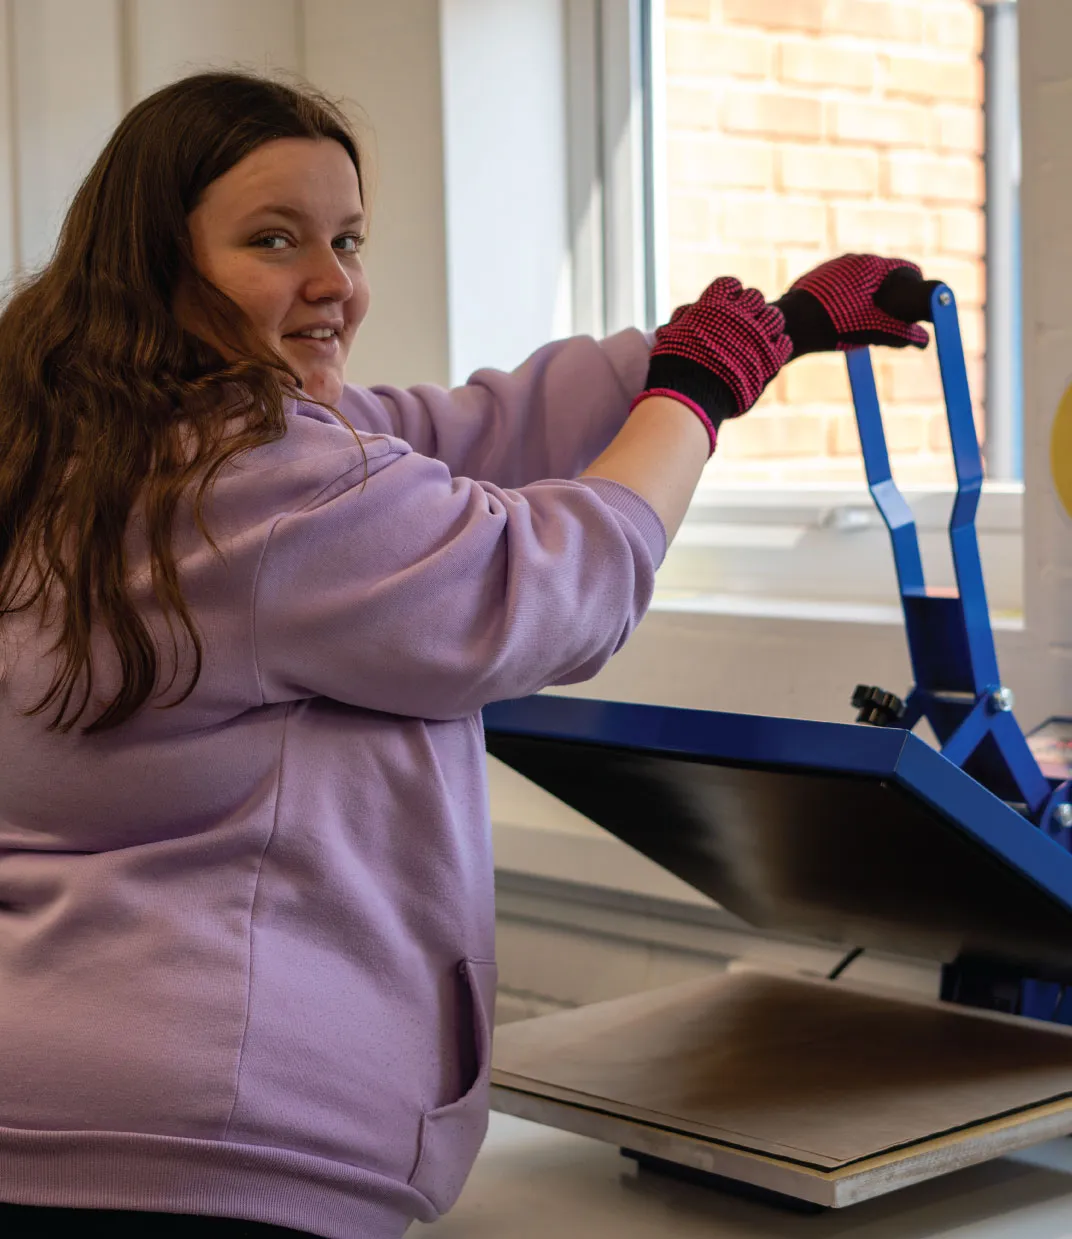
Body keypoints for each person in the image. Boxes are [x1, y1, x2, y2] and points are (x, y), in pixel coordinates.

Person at [0, 71, 931, 1239]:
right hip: (206, 1150)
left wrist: (766, 334)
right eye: (274, 239)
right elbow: (545, 587)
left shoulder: (73, 447)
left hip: (54, 1108)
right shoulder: (258, 488)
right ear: (155, 263)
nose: (334, 281)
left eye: (346, 238)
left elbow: (453, 430)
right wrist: (697, 389)